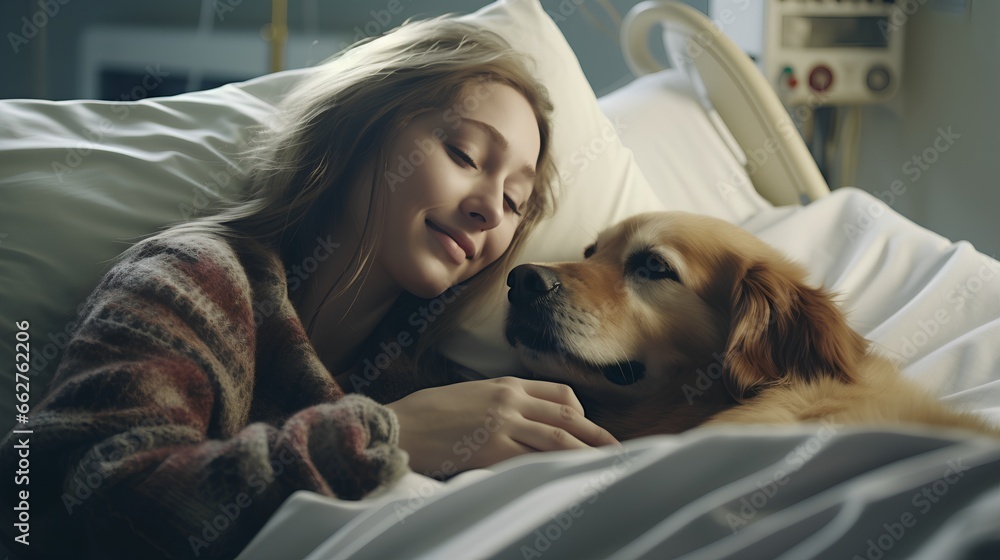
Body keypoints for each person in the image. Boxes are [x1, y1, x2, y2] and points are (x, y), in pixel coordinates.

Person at [0, 16, 617, 560]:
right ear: (364, 127)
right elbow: (86, 504)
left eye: (516, 200)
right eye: (464, 152)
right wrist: (386, 435)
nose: (490, 209)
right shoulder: (194, 281)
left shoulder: (429, 385)